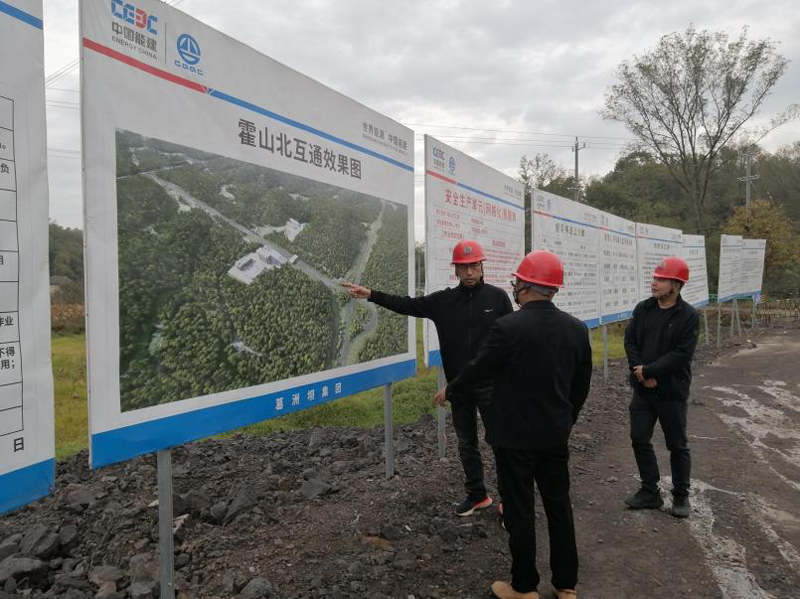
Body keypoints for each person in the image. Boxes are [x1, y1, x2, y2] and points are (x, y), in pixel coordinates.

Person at [434, 250, 592, 599]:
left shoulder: (507, 328)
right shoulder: (576, 329)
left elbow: (478, 369)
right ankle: (566, 585)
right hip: (555, 435)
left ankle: (524, 587)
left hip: (514, 438)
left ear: (525, 286)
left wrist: (451, 389)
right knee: (559, 506)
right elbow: (581, 384)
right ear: (554, 288)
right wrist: (566, 420)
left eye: (517, 282)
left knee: (520, 510)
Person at [343, 239, 512, 517]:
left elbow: (510, 340)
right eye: (463, 267)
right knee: (466, 443)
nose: (469, 272)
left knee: (501, 442)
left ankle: (510, 500)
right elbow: (406, 304)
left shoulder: (498, 298)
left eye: (474, 266)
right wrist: (371, 294)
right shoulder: (444, 301)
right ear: (455, 270)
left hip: (491, 385)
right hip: (458, 386)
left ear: (482, 266)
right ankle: (477, 495)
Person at [623, 256, 700, 519]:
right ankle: (649, 490)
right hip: (643, 389)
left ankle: (681, 495)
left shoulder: (688, 316)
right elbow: (630, 341)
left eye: (662, 279)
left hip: (671, 392)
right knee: (639, 438)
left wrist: (650, 370)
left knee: (677, 444)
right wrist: (640, 371)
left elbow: (682, 354)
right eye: (655, 277)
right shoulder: (644, 308)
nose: (654, 282)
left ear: (676, 285)